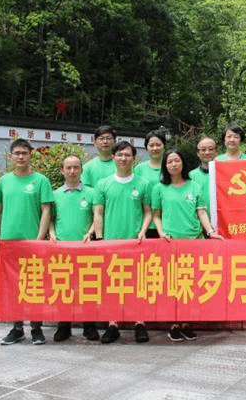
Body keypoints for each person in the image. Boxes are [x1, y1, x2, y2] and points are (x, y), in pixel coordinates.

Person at [152, 149, 223, 342]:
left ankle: (187, 323)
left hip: (195, 242)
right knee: (173, 285)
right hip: (171, 243)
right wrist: (161, 232)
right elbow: (156, 215)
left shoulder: (194, 186)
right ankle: (174, 324)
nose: (174, 164)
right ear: (165, 166)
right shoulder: (159, 188)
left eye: (177, 160)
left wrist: (210, 232)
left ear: (183, 163)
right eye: (170, 162)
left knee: (192, 285)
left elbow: (201, 212)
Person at [0, 138, 54, 345]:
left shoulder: (41, 181)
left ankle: (36, 328)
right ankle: (17, 328)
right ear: (10, 156)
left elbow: (46, 210)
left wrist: (39, 239)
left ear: (30, 156)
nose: (20, 157)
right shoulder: (4, 181)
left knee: (35, 285)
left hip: (32, 243)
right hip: (8, 243)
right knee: (13, 287)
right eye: (17, 153)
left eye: (24, 153)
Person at [91, 141, 153, 343]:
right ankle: (113, 324)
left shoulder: (143, 184)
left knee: (137, 283)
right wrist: (100, 238)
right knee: (113, 284)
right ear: (113, 157)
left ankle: (139, 323)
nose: (123, 158)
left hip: (136, 243)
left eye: (127, 155)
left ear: (134, 158)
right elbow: (98, 213)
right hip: (111, 243)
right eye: (119, 155)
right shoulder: (103, 184)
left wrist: (142, 231)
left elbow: (148, 212)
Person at [48, 154, 99, 342]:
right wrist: (51, 233)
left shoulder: (92, 193)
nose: (72, 171)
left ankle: (89, 325)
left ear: (81, 170)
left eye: (76, 167)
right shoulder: (55, 195)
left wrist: (91, 232)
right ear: (62, 171)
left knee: (87, 287)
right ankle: (64, 325)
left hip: (86, 249)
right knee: (63, 287)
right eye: (68, 168)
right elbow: (50, 219)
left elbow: (97, 216)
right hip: (62, 249)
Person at [134, 129, 167, 238]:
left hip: (167, 222)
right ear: (146, 147)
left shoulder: (171, 168)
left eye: (158, 145)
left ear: (164, 146)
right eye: (151, 145)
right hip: (144, 225)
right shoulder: (139, 169)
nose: (155, 148)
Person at [188, 136, 217, 213]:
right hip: (199, 218)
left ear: (216, 152)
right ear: (198, 153)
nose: (207, 152)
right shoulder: (191, 176)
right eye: (203, 150)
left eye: (211, 149)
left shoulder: (223, 173)